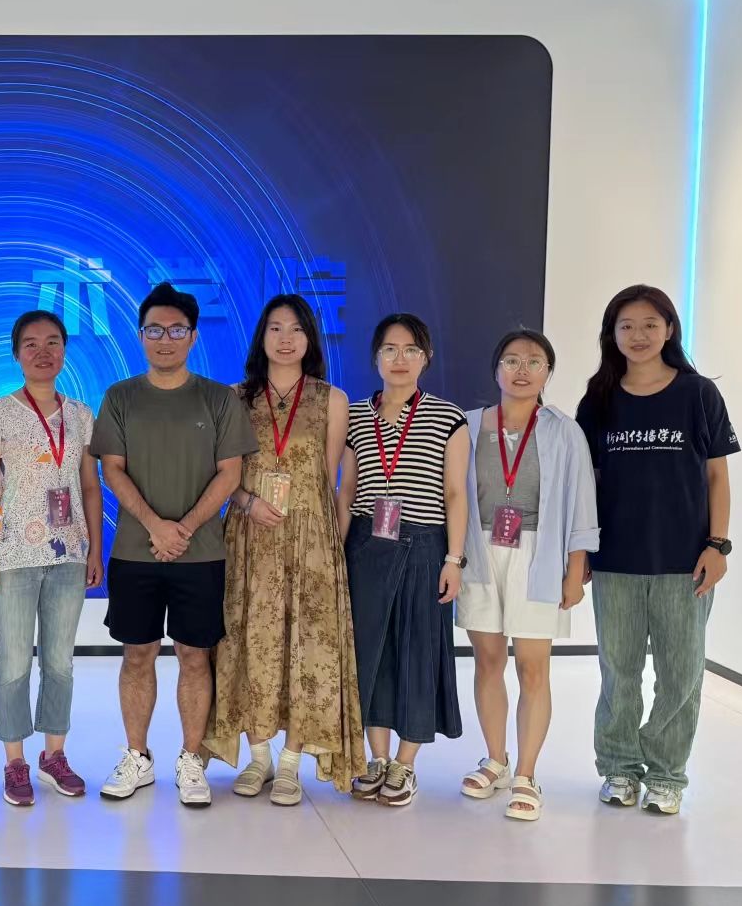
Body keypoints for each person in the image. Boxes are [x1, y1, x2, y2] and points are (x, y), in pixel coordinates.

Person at [91, 282, 257, 808]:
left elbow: (230, 474)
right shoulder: (120, 396)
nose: (165, 339)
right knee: (137, 654)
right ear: (141, 335)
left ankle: (191, 758)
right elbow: (112, 470)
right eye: (155, 330)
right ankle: (137, 756)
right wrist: (155, 526)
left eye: (176, 330)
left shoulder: (218, 398)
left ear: (193, 336)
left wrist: (181, 528)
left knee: (194, 655)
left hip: (201, 552)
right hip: (135, 552)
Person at [576, 285, 737, 816]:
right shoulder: (598, 398)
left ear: (669, 329)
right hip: (616, 559)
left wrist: (718, 545)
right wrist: (581, 551)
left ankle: (667, 775)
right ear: (612, 334)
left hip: (685, 562)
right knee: (618, 673)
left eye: (650, 324)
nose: (638, 335)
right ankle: (620, 768)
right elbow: (586, 483)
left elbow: (717, 477)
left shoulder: (698, 394)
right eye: (626, 325)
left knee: (680, 675)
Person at [205, 293, 362, 805]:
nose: (286, 338)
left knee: (307, 645)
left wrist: (330, 548)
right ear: (262, 337)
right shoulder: (234, 397)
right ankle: (259, 757)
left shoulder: (331, 399)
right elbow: (222, 476)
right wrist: (247, 502)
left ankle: (291, 762)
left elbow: (329, 479)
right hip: (249, 537)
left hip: (310, 541)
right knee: (247, 640)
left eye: (296, 329)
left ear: (310, 338)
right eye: (275, 328)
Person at [455, 329, 598, 822]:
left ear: (548, 373)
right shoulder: (468, 425)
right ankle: (495, 760)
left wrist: (575, 571)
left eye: (534, 362)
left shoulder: (564, 431)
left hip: (539, 553)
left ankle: (527, 773)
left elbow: (582, 503)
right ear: (496, 369)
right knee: (488, 661)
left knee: (533, 667)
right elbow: (453, 494)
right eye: (512, 360)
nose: (522, 370)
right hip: (480, 550)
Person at [0, 311, 104, 807]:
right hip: (13, 554)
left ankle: (54, 755)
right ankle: (15, 762)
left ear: (65, 351)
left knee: (60, 661)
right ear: (16, 354)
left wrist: (94, 548)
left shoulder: (82, 415)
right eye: (31, 344)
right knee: (13, 663)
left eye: (52, 343)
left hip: (69, 553)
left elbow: (90, 486)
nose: (42, 352)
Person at [340, 313, 469, 808]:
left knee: (418, 653)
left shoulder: (447, 416)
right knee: (370, 654)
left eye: (411, 349)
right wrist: (336, 552)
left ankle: (405, 763)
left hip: (424, 548)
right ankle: (376, 759)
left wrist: (454, 559)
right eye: (390, 349)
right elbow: (346, 491)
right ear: (375, 357)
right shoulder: (355, 415)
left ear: (426, 357)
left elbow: (455, 494)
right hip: (367, 546)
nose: (400, 359)